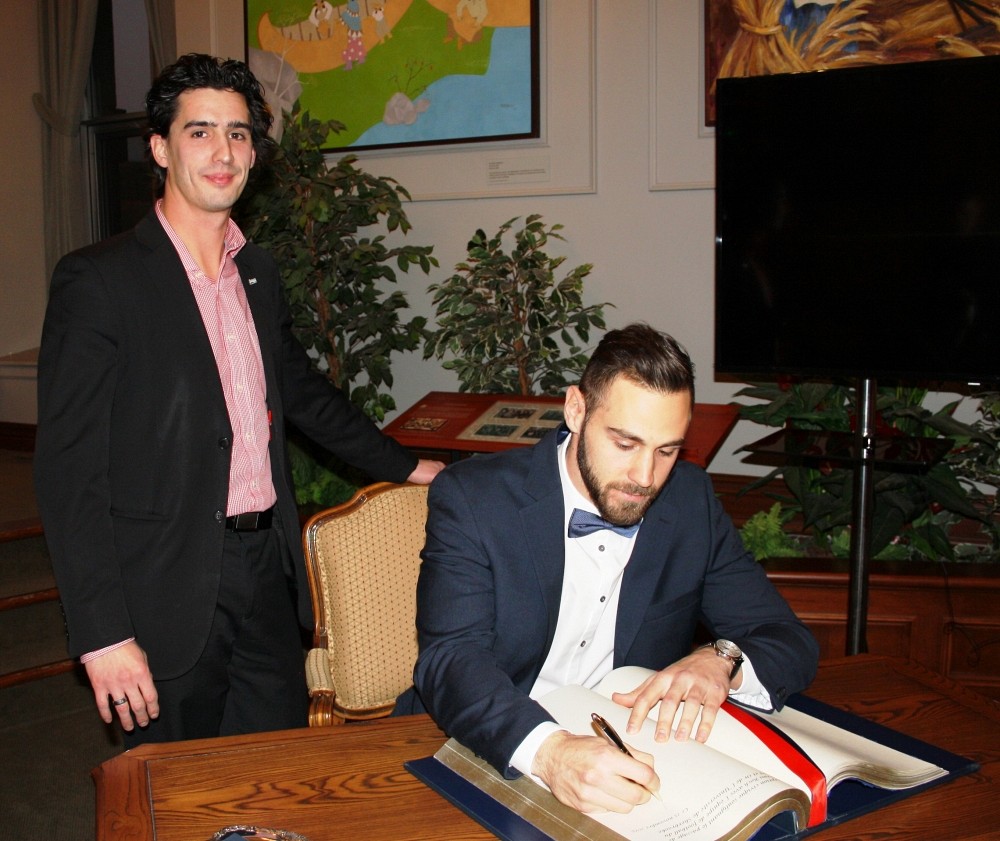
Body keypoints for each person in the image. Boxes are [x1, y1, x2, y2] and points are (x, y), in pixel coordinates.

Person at [33, 53, 443, 747]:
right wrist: (102, 633)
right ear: (159, 148)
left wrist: (408, 467)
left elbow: (302, 392)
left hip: (266, 572)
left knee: (270, 779)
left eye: (239, 132)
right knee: (176, 793)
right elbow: (68, 472)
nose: (223, 152)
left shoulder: (256, 270)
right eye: (200, 132)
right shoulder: (98, 282)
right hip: (165, 583)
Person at [397, 323, 818, 813]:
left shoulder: (689, 502)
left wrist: (722, 660)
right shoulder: (475, 498)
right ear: (576, 409)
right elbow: (452, 659)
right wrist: (550, 754)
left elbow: (787, 638)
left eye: (667, 451)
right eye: (625, 443)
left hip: (630, 760)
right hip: (481, 745)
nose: (645, 478)